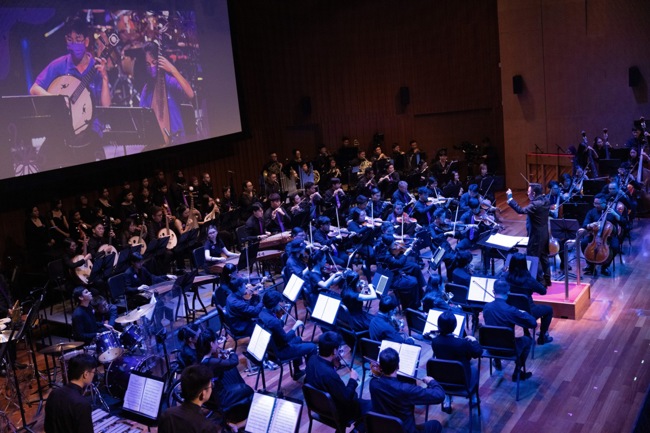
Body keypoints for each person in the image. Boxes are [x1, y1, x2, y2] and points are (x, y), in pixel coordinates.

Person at [305, 332, 371, 430]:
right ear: (334, 351)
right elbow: (346, 398)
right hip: (335, 413)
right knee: (372, 407)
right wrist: (352, 379)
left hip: (318, 408)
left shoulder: (311, 359)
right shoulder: (330, 375)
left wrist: (333, 366)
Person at [369, 347, 445, 433]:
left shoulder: (373, 383)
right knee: (435, 425)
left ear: (380, 366)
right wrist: (432, 381)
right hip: (404, 431)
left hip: (383, 429)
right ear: (398, 366)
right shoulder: (406, 389)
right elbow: (440, 395)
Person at [482, 279, 537, 381]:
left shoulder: (486, 307)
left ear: (493, 291)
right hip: (509, 349)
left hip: (490, 348)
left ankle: (497, 361)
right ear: (508, 292)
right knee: (527, 340)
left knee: (496, 334)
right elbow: (533, 323)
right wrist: (523, 312)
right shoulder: (511, 310)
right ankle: (517, 372)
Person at [139, 41, 194, 141]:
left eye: (154, 63)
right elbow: (142, 119)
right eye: (148, 64)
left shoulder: (170, 81)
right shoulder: (146, 89)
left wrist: (173, 70)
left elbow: (190, 94)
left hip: (178, 140)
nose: (151, 67)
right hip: (158, 142)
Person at [198, 329, 253, 426]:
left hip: (212, 393)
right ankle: (247, 419)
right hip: (221, 396)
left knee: (232, 372)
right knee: (247, 389)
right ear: (211, 344)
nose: (217, 344)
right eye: (216, 342)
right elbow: (233, 362)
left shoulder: (202, 358)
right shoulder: (210, 362)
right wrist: (231, 352)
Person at [258, 290, 316, 380]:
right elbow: (285, 339)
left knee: (298, 339)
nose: (280, 305)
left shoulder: (261, 313)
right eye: (279, 303)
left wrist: (283, 317)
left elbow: (277, 327)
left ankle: (297, 372)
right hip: (281, 352)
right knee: (312, 347)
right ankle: (311, 377)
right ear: (275, 304)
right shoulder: (273, 321)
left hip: (271, 351)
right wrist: (295, 326)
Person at [506, 183, 551, 286]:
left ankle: (540, 282)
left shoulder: (535, 205)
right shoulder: (546, 200)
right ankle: (547, 279)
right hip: (545, 233)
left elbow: (520, 210)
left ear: (534, 193)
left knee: (534, 258)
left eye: (529, 191)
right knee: (544, 256)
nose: (527, 193)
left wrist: (510, 198)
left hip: (536, 236)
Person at [504, 253, 554, 344]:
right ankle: (542, 337)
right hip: (528, 313)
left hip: (511, 311)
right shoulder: (529, 280)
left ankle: (526, 333)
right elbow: (543, 291)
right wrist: (539, 278)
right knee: (549, 309)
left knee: (520, 304)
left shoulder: (505, 277)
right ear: (524, 264)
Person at [158, 364, 220, 433]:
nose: (211, 389)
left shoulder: (167, 415)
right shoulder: (207, 427)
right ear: (202, 394)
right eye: (211, 386)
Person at [430, 310, 481, 393]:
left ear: (438, 326)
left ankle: (447, 396)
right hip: (461, 380)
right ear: (455, 326)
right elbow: (477, 353)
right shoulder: (462, 343)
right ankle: (474, 396)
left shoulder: (434, 341)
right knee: (474, 369)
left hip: (442, 378)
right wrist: (474, 340)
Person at [44, 353, 97, 433]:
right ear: (86, 374)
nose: (93, 376)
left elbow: (47, 427)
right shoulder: (82, 405)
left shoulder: (54, 393)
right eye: (93, 372)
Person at [580, 193, 621, 276]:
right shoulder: (591, 212)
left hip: (609, 236)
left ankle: (605, 267)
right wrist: (590, 225)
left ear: (604, 203)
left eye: (598, 204)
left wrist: (616, 215)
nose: (596, 205)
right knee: (584, 242)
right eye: (594, 203)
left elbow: (624, 223)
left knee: (615, 246)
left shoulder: (612, 211)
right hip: (594, 236)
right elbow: (584, 224)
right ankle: (590, 265)